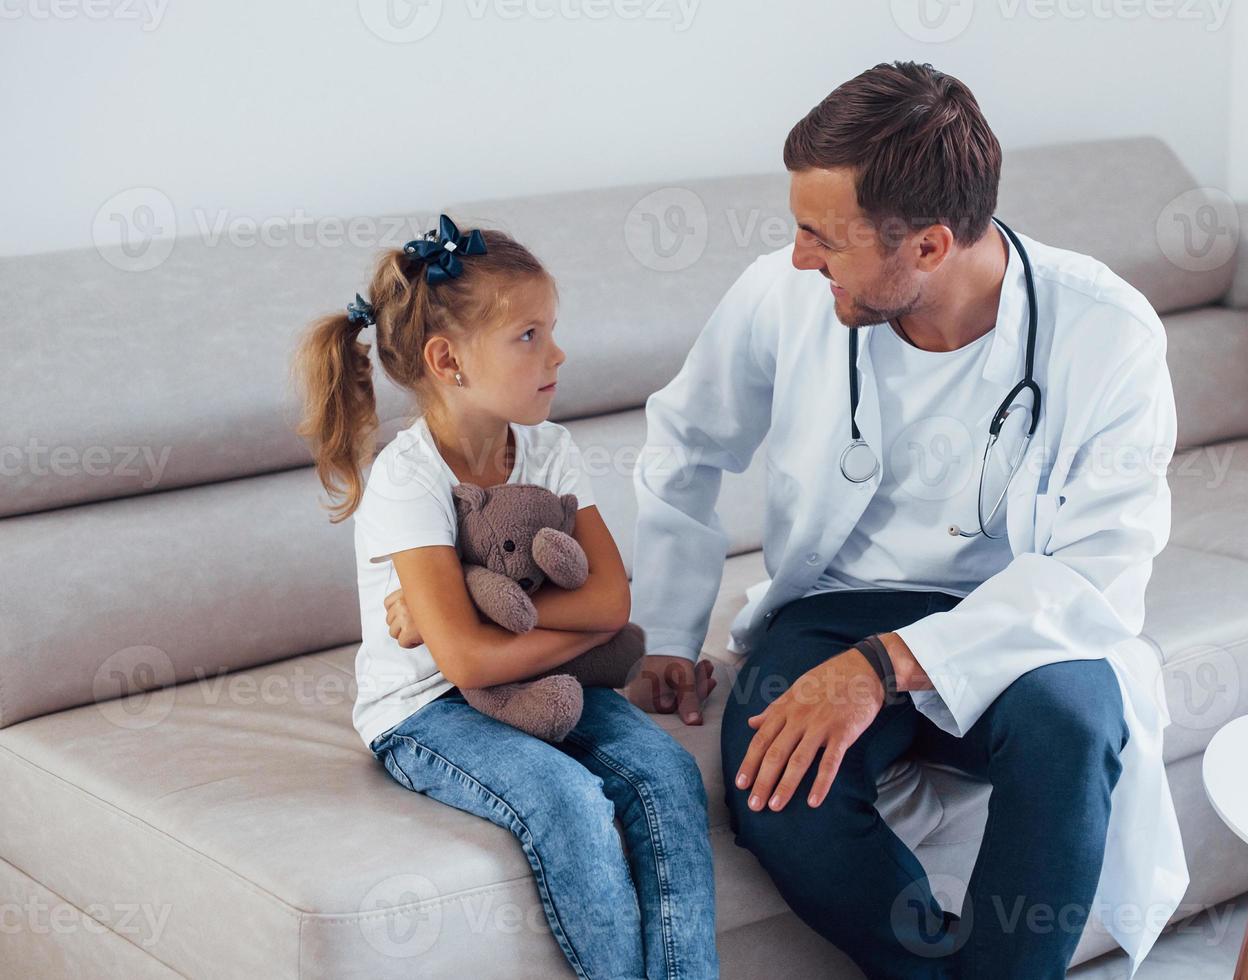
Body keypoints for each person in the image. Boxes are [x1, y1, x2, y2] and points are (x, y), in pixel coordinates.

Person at [626, 62, 1188, 979]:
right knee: (778, 777)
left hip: (1020, 622)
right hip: (835, 603)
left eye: (823, 238)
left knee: (1072, 726)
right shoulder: (783, 292)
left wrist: (884, 666)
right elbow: (685, 440)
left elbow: (1098, 573)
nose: (800, 257)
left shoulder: (1105, 332)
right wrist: (664, 631)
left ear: (928, 247)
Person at [292, 214, 720, 980]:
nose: (557, 352)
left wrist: (464, 604)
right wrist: (550, 630)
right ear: (447, 359)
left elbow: (612, 602)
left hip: (542, 681)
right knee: (569, 800)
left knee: (666, 775)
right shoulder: (409, 478)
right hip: (428, 707)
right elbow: (465, 664)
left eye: (552, 329)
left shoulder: (550, 449)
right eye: (528, 336)